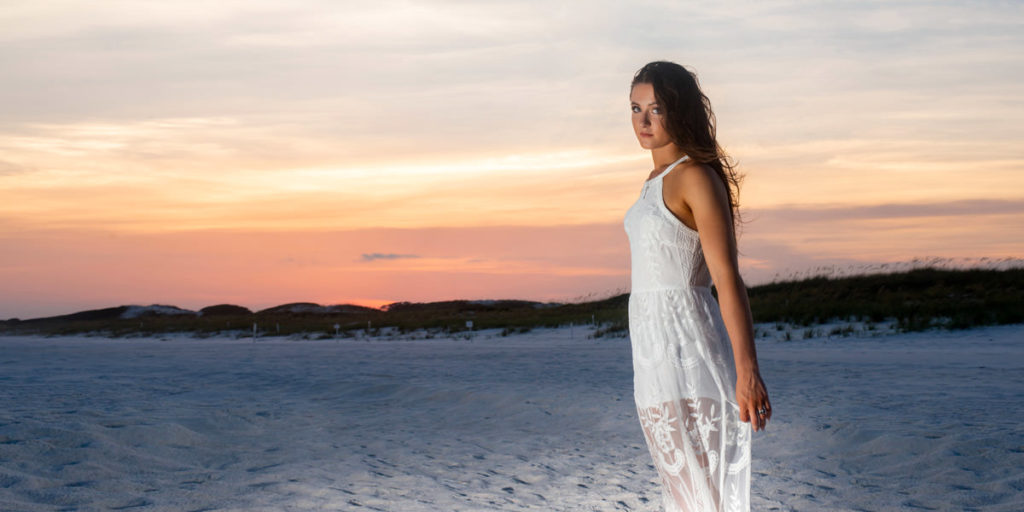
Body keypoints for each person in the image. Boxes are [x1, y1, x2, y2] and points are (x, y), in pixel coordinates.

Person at [623, 61, 771, 511]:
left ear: (680, 112)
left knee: (700, 493)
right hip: (651, 352)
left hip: (688, 346)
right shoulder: (653, 182)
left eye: (656, 109)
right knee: (681, 490)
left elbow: (727, 279)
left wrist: (748, 371)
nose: (643, 121)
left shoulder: (694, 177)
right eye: (635, 108)